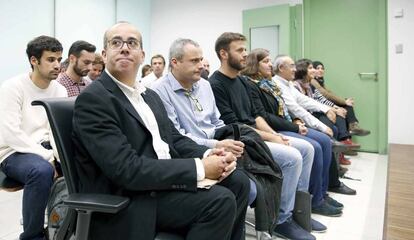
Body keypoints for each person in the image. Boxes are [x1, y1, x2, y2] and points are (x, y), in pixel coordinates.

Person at [72, 22, 250, 240]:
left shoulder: (148, 95)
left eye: (132, 43)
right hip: (130, 198)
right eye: (116, 42)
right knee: (219, 202)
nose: (125, 48)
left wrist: (209, 154)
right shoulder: (94, 99)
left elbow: (173, 138)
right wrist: (200, 169)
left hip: (158, 183)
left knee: (239, 183)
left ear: (141, 54)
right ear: (105, 54)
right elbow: (126, 169)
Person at [209, 32, 316, 240]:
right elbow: (235, 125)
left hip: (256, 135)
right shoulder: (215, 84)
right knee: (292, 158)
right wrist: (272, 139)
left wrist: (274, 134)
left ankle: (298, 212)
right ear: (223, 54)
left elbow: (255, 116)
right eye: (240, 50)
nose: (245, 55)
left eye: (246, 50)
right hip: (241, 140)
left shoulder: (241, 82)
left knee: (307, 148)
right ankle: (282, 220)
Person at [241, 48, 343, 219]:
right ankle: (309, 203)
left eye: (270, 60)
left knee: (323, 142)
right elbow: (264, 116)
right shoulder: (253, 85)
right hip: (272, 129)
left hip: (283, 125)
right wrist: (293, 127)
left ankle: (319, 195)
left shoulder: (269, 84)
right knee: (315, 146)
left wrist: (297, 120)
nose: (270, 64)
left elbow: (291, 107)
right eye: (266, 61)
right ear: (255, 65)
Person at [0, 35, 67, 240]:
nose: (57, 65)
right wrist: (48, 158)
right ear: (34, 60)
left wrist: (59, 156)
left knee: (83, 163)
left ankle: (68, 227)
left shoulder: (60, 90)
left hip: (44, 148)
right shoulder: (13, 87)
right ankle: (32, 236)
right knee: (41, 171)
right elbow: (10, 133)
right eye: (51, 60)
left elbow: (56, 132)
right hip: (13, 151)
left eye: (59, 59)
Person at [273, 55, 357, 195]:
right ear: (281, 68)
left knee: (330, 132)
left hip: (300, 120)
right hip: (292, 123)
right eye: (291, 66)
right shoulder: (278, 84)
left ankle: (326, 188)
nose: (294, 69)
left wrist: (328, 109)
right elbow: (296, 109)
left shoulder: (287, 83)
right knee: (322, 141)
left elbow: (306, 100)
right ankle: (318, 194)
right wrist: (322, 126)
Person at [312, 60, 370, 137]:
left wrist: (344, 101)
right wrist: (342, 103)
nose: (320, 70)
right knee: (343, 108)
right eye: (317, 68)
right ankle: (348, 132)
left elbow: (330, 93)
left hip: (326, 103)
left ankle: (353, 127)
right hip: (320, 107)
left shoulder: (320, 81)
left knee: (347, 106)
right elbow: (325, 95)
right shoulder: (312, 81)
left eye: (322, 68)